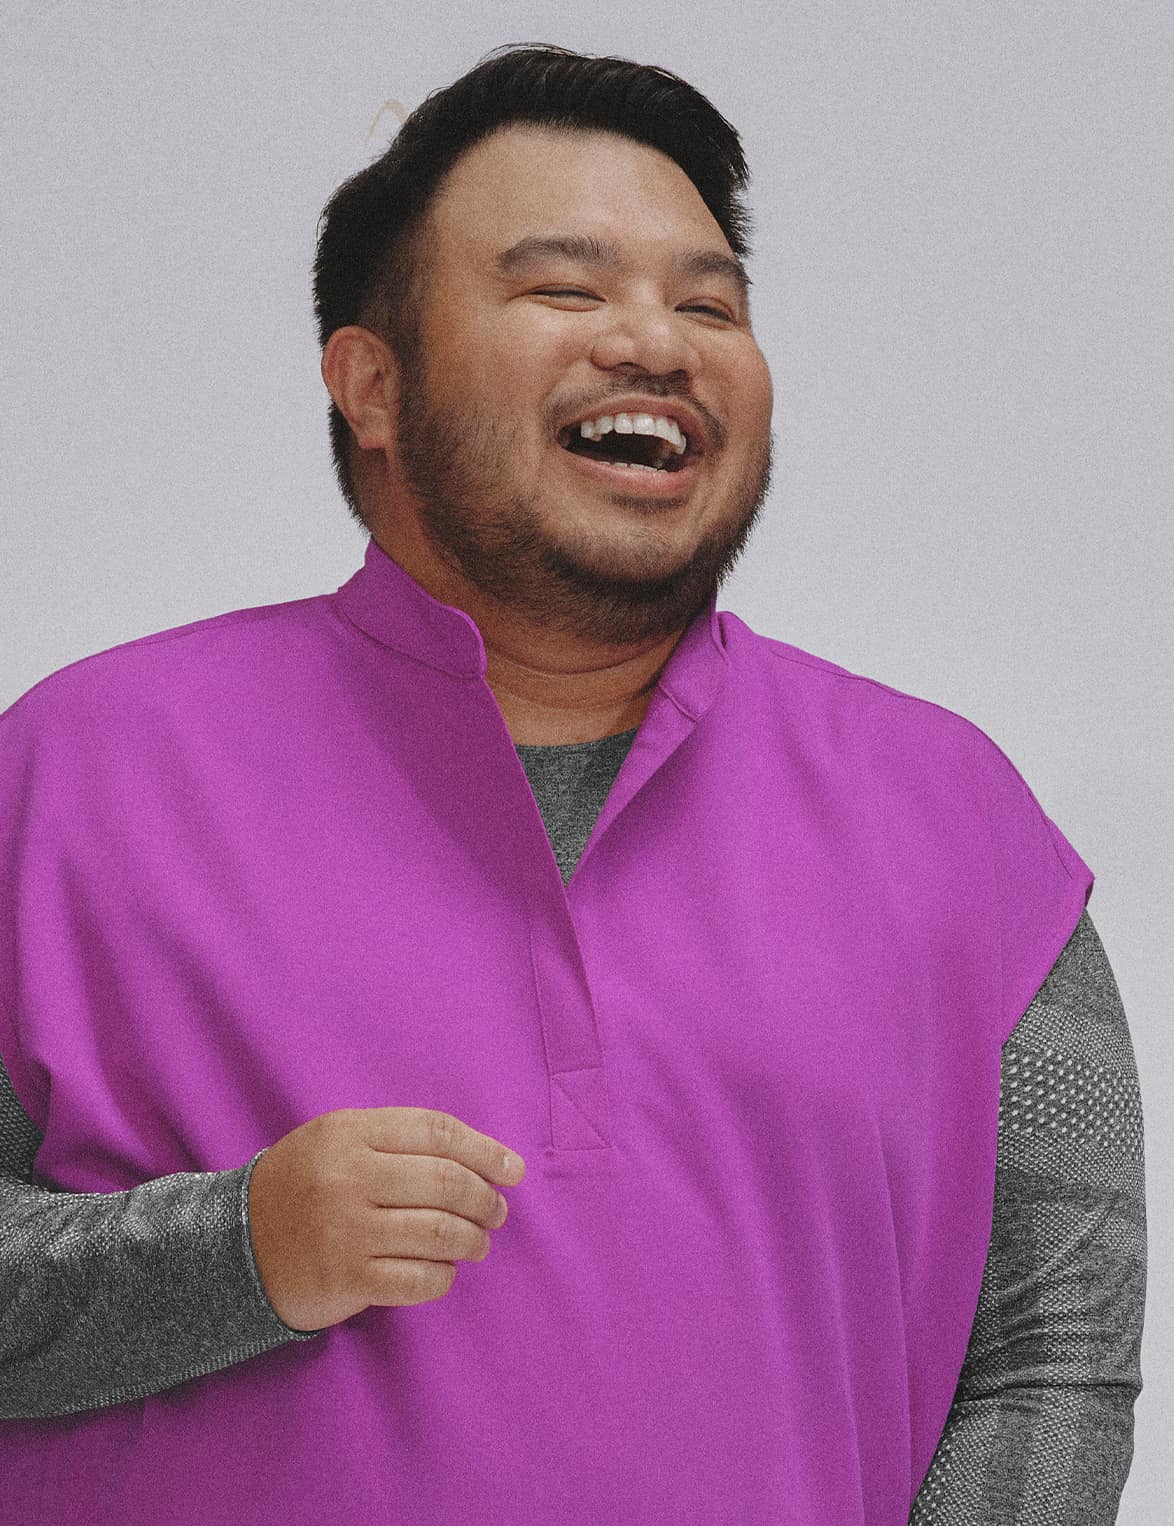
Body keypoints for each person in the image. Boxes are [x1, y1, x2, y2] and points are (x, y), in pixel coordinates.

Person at [0, 42, 1145, 1526]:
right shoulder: (71, 774)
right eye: (564, 289)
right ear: (372, 384)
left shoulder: (958, 820)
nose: (656, 341)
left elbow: (1057, 1357)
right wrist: (238, 1251)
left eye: (709, 303)